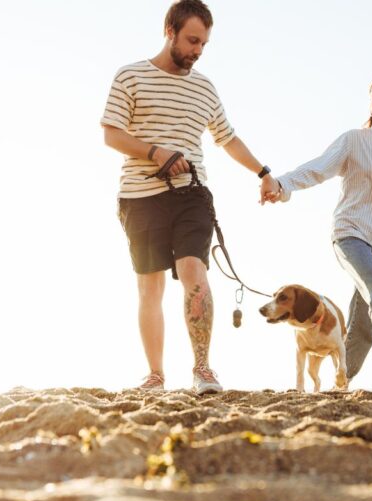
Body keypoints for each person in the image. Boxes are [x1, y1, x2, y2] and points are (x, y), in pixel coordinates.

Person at [101, 0, 275, 394]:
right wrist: (156, 152)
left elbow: (227, 139)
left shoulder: (205, 88)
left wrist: (263, 173)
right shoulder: (130, 76)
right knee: (150, 286)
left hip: (192, 196)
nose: (198, 50)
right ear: (170, 31)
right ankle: (155, 375)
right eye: (193, 40)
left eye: (204, 44)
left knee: (194, 270)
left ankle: (203, 369)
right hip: (140, 196)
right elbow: (111, 134)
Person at [261, 76, 372, 389]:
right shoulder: (355, 140)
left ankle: (343, 379)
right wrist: (282, 185)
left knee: (364, 309)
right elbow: (319, 168)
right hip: (350, 230)